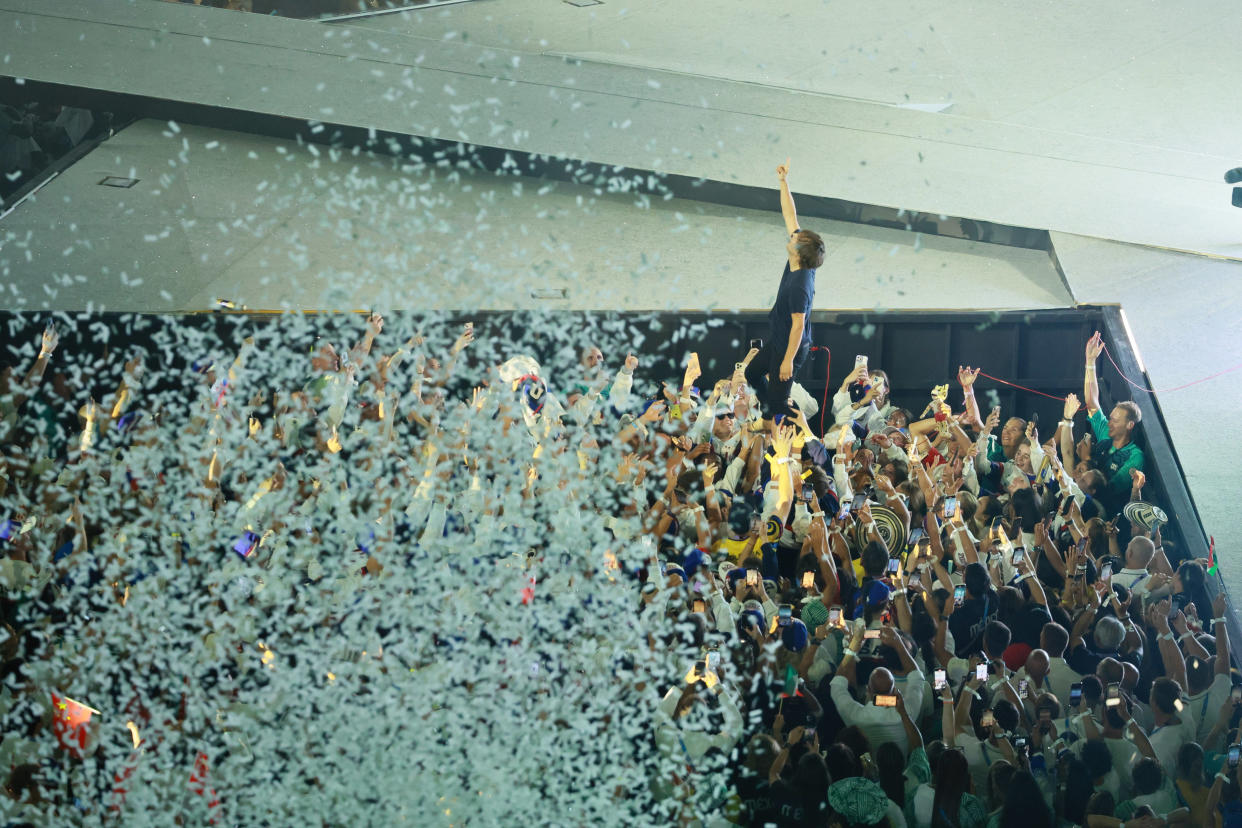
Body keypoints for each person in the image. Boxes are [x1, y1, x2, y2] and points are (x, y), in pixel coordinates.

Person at [744, 158, 825, 431]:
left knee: (780, 402)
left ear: (801, 252)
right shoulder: (797, 260)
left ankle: (794, 431)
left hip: (791, 345)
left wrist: (788, 360)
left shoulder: (800, 284)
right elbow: (791, 216)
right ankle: (769, 417)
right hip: (779, 338)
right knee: (752, 373)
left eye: (796, 240)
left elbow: (799, 325)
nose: (792, 237)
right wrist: (783, 182)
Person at [1080, 332, 1145, 514]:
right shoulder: (1104, 436)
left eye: (1115, 421)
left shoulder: (1135, 456)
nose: (1109, 423)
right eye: (1110, 418)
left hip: (1104, 514)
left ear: (1129, 425)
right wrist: (1090, 363)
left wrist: (1086, 460)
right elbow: (1092, 403)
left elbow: (1107, 489)